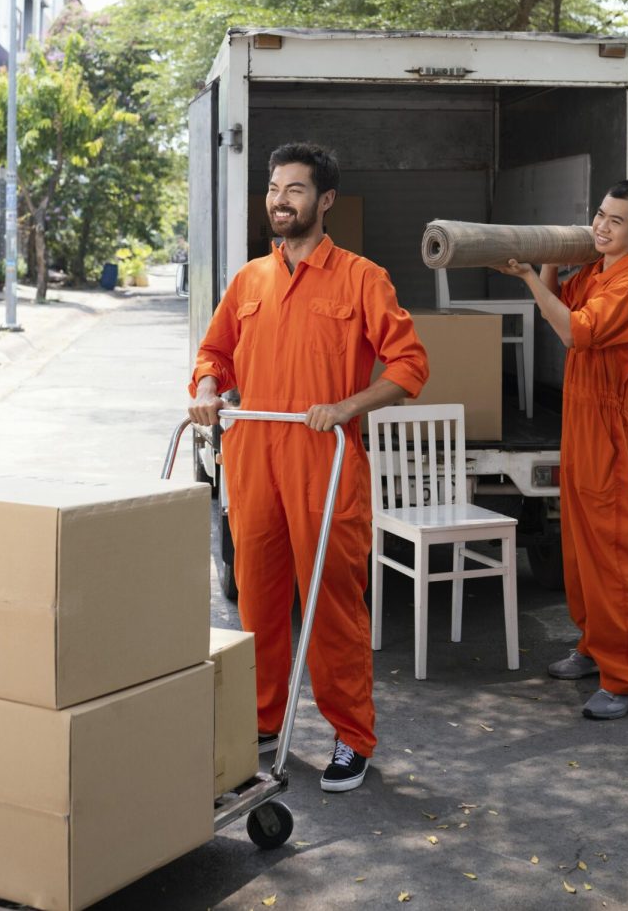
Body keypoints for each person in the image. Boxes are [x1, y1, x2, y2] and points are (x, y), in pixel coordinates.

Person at [188, 142, 428, 791]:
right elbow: (215, 356)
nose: (280, 200)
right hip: (253, 456)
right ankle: (265, 720)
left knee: (332, 605)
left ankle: (352, 736)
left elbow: (409, 367)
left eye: (294, 190)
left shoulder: (361, 278)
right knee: (258, 599)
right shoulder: (248, 282)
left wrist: (349, 404)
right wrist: (209, 391)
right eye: (273, 188)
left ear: (324, 201)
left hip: (323, 458)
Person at [493, 180, 628, 720]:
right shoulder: (598, 268)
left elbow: (570, 332)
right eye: (599, 215)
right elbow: (559, 304)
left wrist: (526, 276)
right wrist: (545, 263)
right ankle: (593, 647)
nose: (601, 226)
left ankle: (626, 676)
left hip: (609, 425)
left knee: (610, 552)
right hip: (580, 416)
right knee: (578, 544)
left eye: (615, 221)